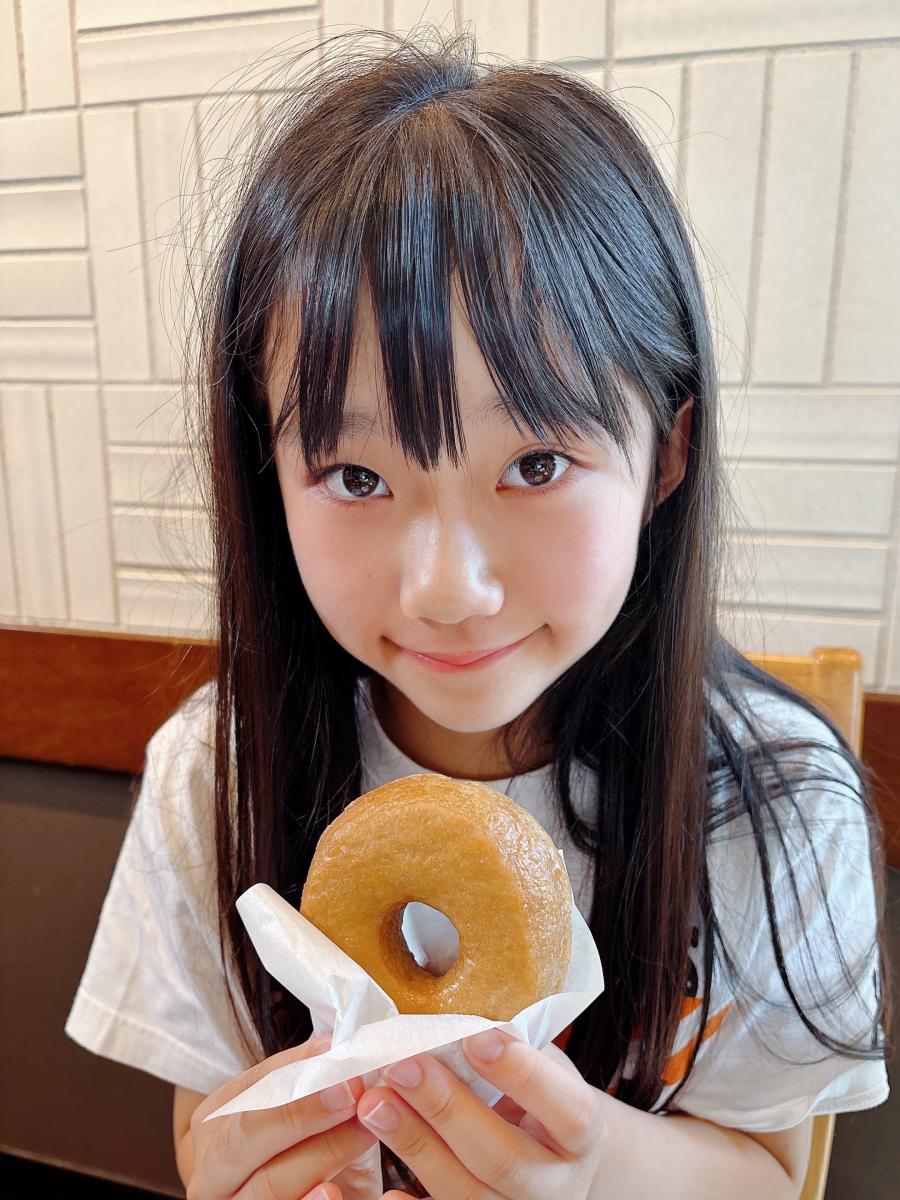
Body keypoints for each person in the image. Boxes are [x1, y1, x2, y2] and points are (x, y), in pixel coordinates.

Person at [65, 24, 892, 1200]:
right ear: (269, 473)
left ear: (666, 454)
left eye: (536, 463)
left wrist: (597, 1172)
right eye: (358, 476)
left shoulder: (773, 805)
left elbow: (769, 1170)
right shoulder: (217, 774)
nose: (447, 588)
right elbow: (208, 1122)